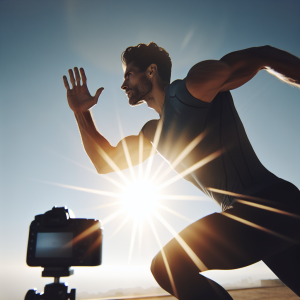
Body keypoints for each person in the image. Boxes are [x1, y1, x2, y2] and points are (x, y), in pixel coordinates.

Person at [63, 43, 300, 299]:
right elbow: (104, 163)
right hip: (257, 213)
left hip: (268, 203)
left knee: (167, 265)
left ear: (151, 71)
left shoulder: (191, 88)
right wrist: (81, 113)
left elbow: (261, 56)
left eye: (128, 74)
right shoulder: (153, 132)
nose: (123, 84)